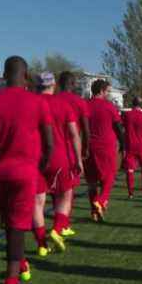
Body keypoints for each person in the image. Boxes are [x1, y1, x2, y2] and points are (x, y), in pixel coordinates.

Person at [0, 56, 54, 284]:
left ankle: (21, 264)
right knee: (18, 226)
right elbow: (50, 144)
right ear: (26, 75)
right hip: (24, 172)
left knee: (10, 223)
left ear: (3, 75)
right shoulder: (37, 102)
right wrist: (39, 167)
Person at [32, 72, 79, 257]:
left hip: (35, 158)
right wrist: (78, 159)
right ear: (53, 85)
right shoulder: (64, 104)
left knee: (37, 203)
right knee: (65, 195)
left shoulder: (32, 103)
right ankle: (58, 228)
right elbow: (74, 134)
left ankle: (42, 244)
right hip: (60, 157)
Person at [55, 71, 90, 237]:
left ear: (59, 83)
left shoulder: (52, 100)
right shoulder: (79, 102)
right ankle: (61, 225)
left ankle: (63, 222)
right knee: (68, 188)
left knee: (56, 187)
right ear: (73, 84)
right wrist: (86, 148)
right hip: (69, 149)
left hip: (50, 148)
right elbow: (85, 128)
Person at [86, 79, 123, 222]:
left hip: (88, 146)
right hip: (105, 146)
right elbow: (118, 127)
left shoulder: (85, 105)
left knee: (91, 182)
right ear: (101, 91)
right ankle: (100, 202)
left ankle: (94, 212)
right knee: (109, 178)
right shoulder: (108, 106)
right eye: (107, 91)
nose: (108, 94)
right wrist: (123, 144)